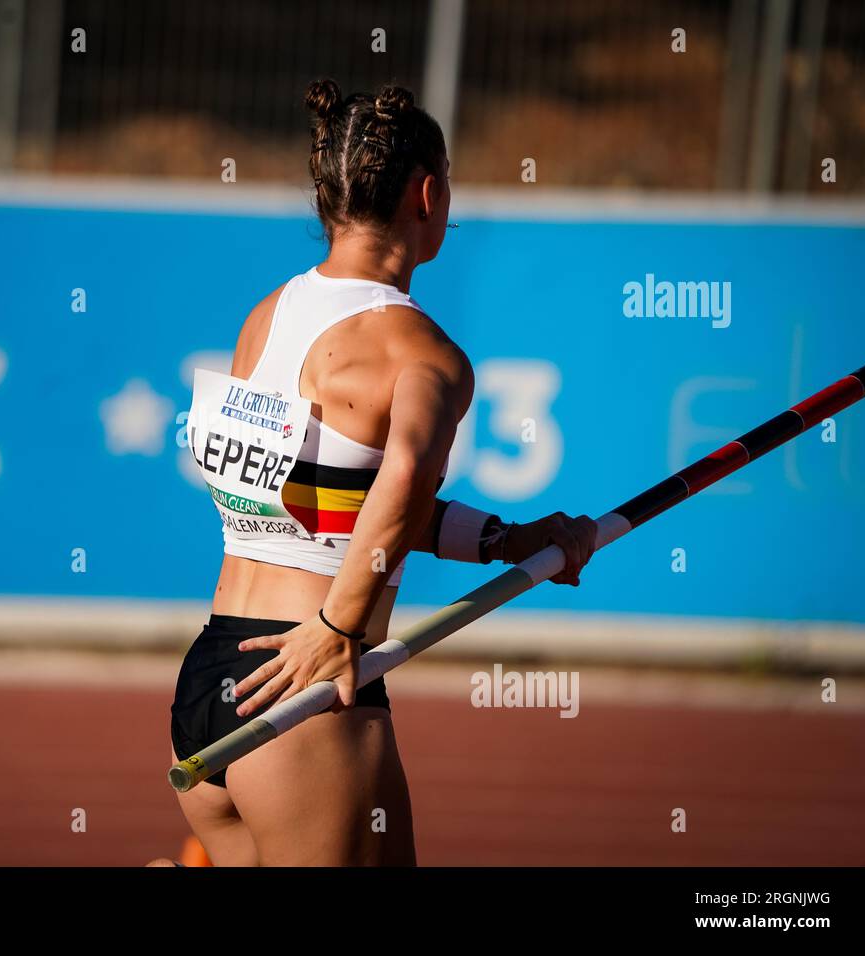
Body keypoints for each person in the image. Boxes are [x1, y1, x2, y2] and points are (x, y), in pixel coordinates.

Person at [165, 79, 598, 866]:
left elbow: (342, 510)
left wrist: (509, 540)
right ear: (428, 196)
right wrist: (336, 632)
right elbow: (399, 482)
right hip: (304, 689)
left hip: (213, 678)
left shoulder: (265, 317)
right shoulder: (422, 354)